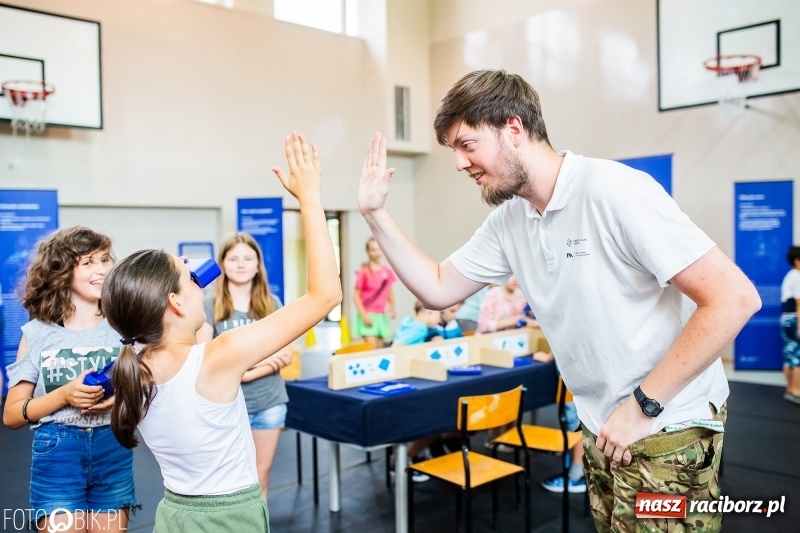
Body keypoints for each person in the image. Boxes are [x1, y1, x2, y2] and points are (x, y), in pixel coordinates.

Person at [357, 70, 761, 532]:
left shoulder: (614, 190)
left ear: (513, 128)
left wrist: (642, 406)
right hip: (602, 427)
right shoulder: (510, 219)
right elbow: (436, 288)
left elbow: (733, 299)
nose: (459, 163)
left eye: (467, 145)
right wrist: (374, 213)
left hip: (667, 426)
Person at [104, 132, 341, 532]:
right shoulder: (216, 356)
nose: (203, 283)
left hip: (174, 514)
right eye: (191, 277)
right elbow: (326, 294)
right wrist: (310, 198)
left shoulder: (133, 369)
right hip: (229, 518)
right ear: (176, 303)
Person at [2, 226, 137, 533]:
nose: (102, 269)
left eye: (104, 260)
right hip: (57, 457)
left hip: (113, 450)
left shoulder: (124, 329)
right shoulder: (37, 334)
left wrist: (122, 398)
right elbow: (12, 415)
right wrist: (64, 395)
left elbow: (146, 388)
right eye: (88, 262)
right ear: (60, 270)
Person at [196, 232, 293, 500]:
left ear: (257, 264)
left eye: (248, 258)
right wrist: (261, 360)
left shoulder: (272, 304)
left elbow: (285, 355)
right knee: (228, 484)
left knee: (260, 478)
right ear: (223, 264)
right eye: (233, 258)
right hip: (226, 408)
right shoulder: (208, 307)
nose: (241, 264)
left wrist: (242, 370)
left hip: (269, 404)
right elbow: (206, 361)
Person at [532, 350, 587, 493]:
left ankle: (576, 476)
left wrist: (548, 356)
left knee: (577, 425)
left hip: (574, 376)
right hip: (584, 372)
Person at [353, 237, 397, 348]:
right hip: (368, 314)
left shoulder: (387, 270)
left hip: (381, 315)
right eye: (373, 250)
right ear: (368, 252)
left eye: (378, 249)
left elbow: (389, 291)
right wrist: (364, 315)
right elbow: (355, 296)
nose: (376, 252)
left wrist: (392, 307)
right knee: (371, 351)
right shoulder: (364, 272)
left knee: (380, 350)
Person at [780, 245, 800, 404]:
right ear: (797, 261)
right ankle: (796, 391)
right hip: (794, 318)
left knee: (789, 355)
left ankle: (789, 388)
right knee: (797, 356)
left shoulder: (789, 276)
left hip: (786, 318)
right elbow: (799, 304)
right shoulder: (797, 277)